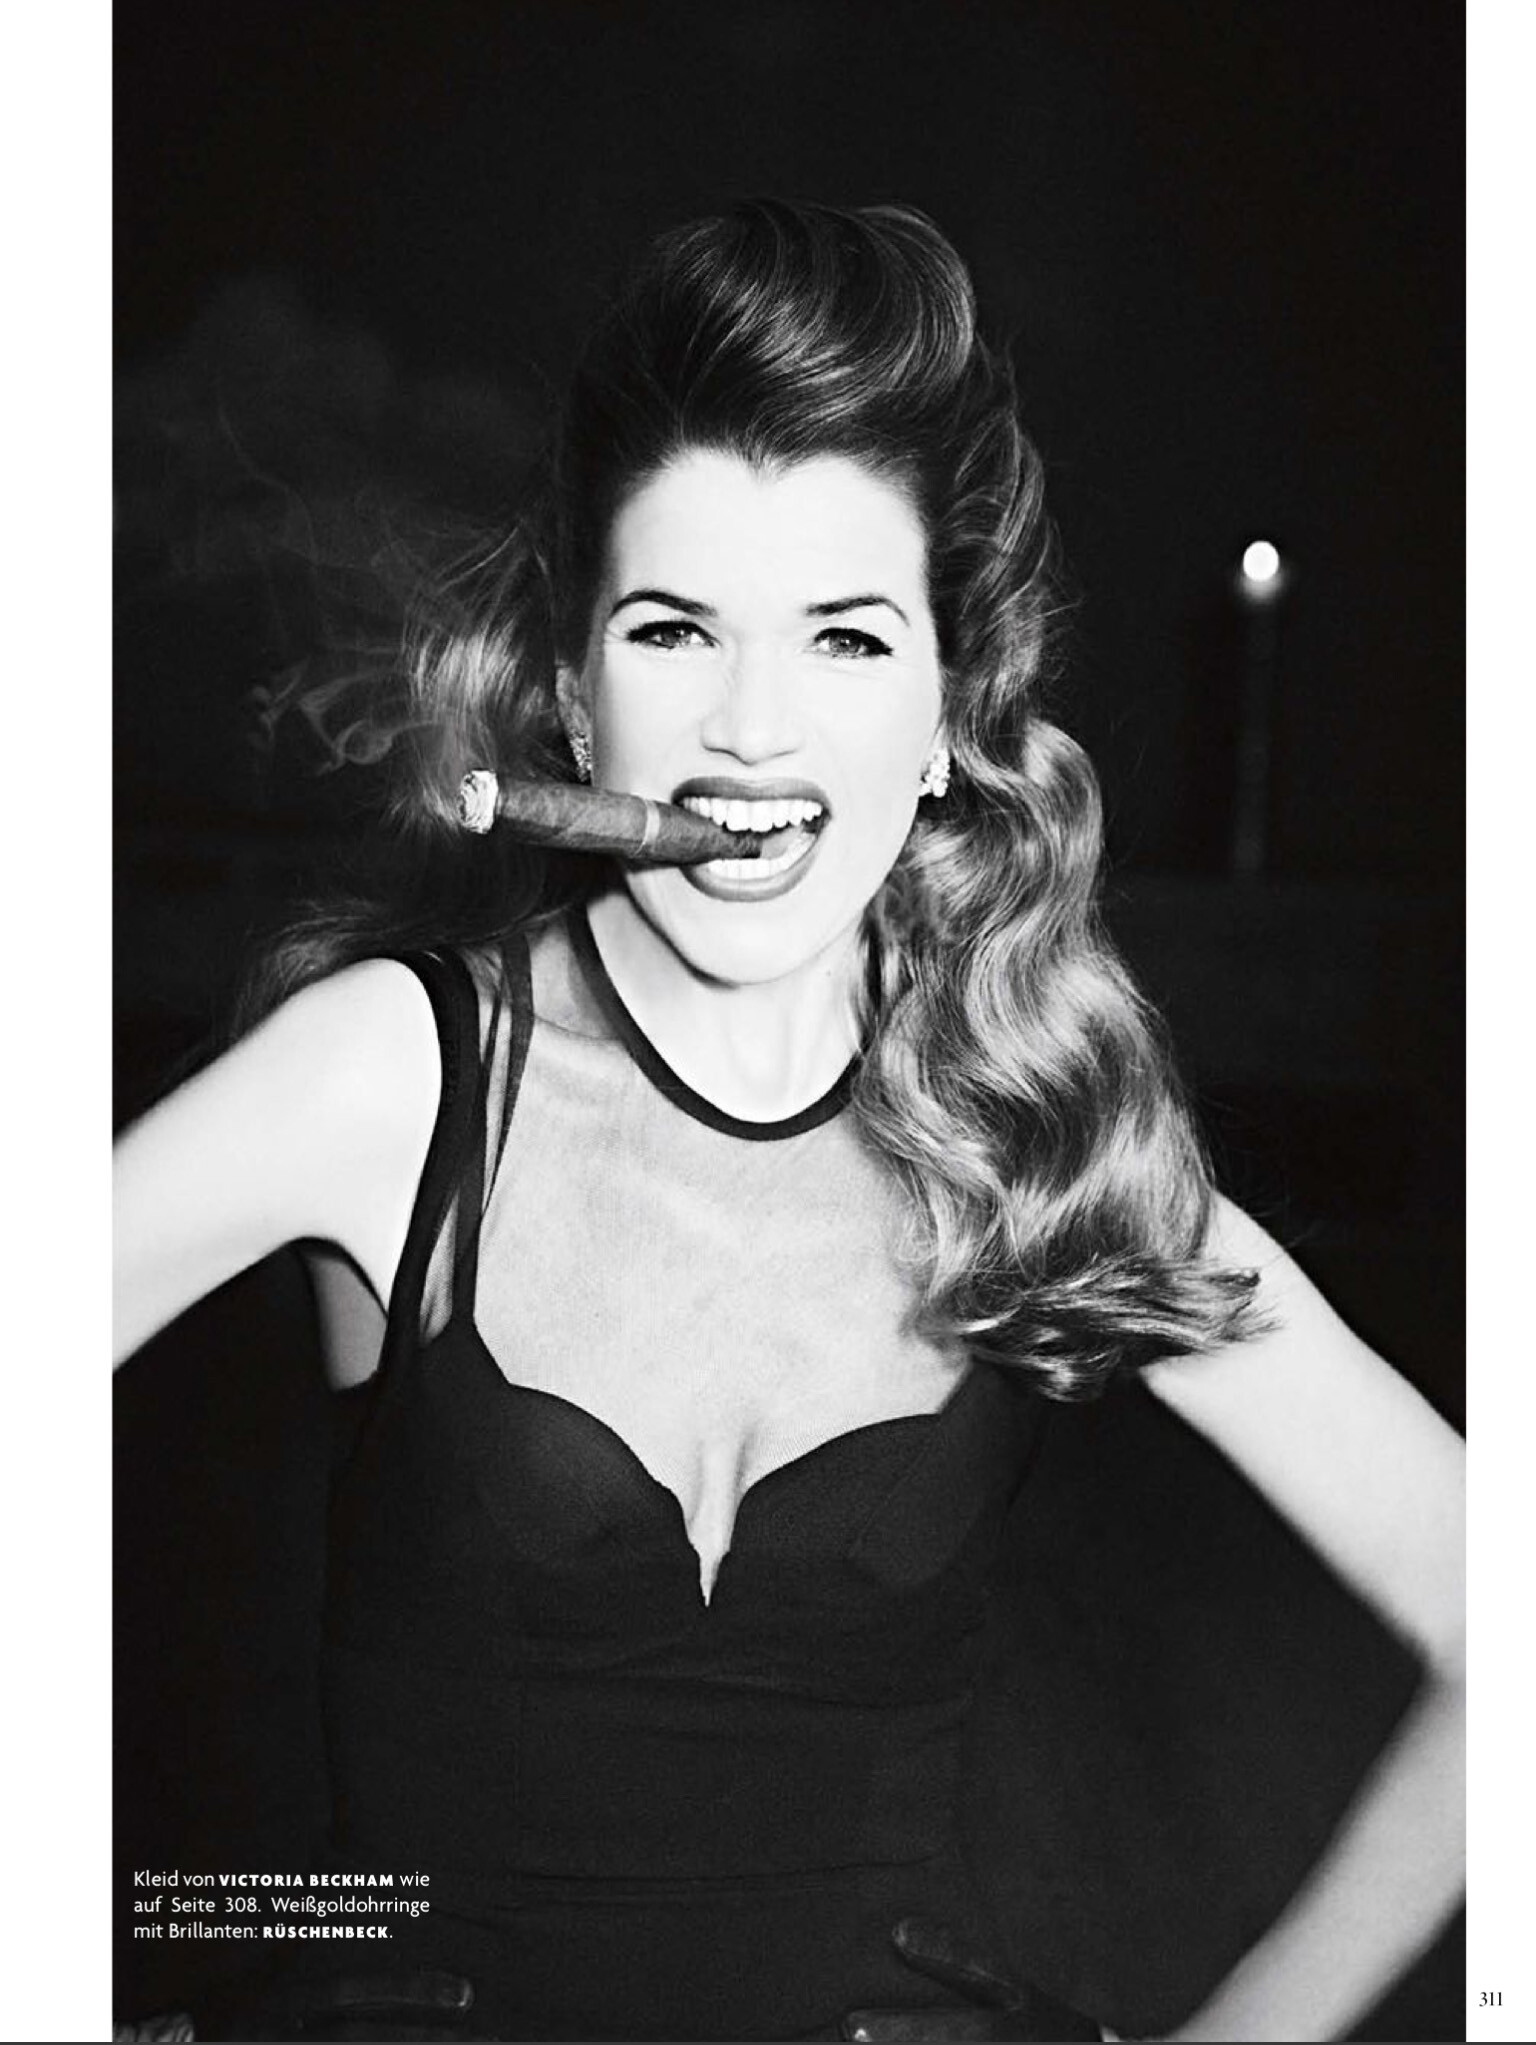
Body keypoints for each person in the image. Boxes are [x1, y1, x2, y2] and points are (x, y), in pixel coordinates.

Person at [113, 200, 1464, 2042]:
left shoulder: (1029, 1139)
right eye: (676, 628)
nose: (752, 729)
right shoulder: (384, 1077)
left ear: (948, 710)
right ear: (574, 691)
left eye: (843, 637)